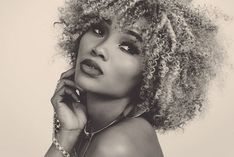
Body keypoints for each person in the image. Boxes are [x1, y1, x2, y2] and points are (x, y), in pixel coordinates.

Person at [45, 0, 223, 157]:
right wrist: (67, 134)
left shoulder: (116, 145)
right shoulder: (94, 127)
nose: (99, 49)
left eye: (128, 47)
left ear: (155, 74)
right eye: (98, 30)